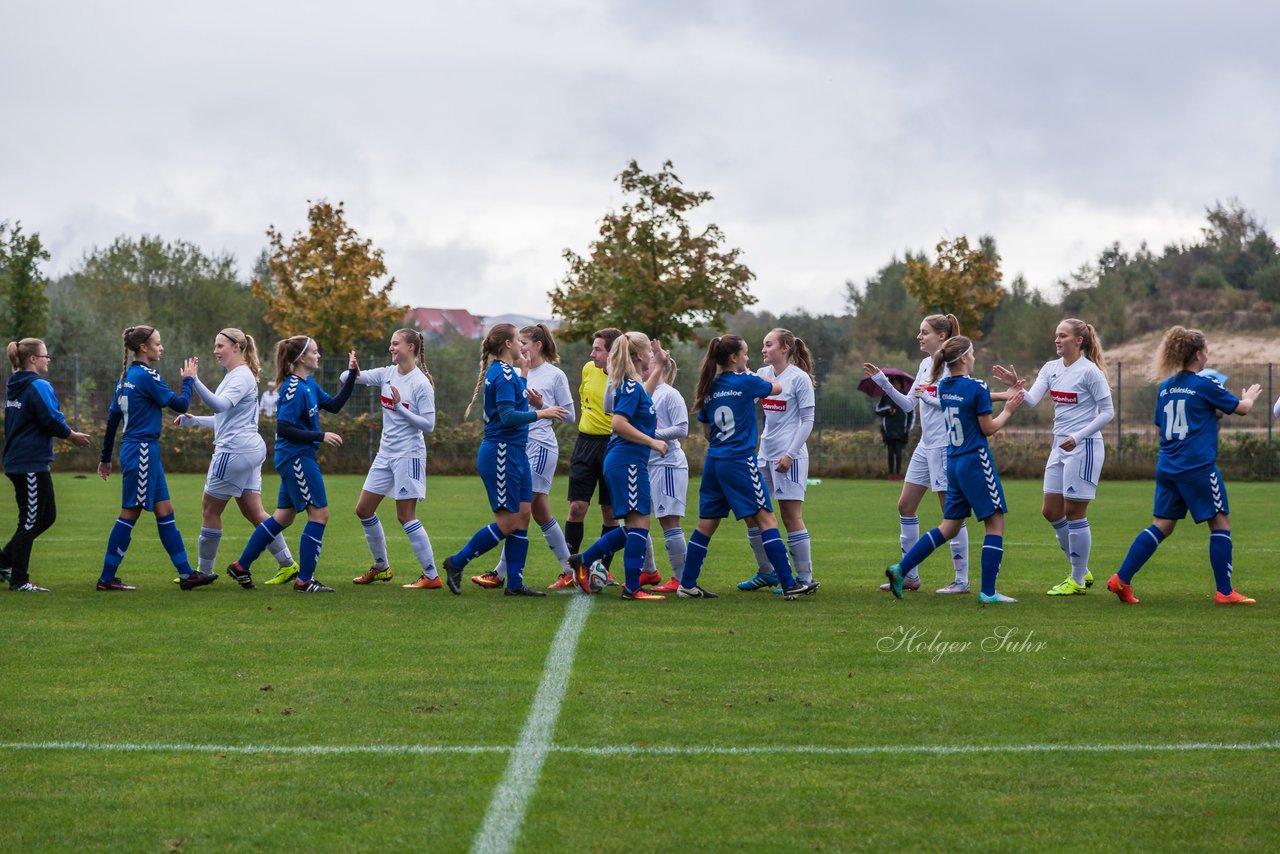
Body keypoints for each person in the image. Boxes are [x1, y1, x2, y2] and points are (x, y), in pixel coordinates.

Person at [1106, 326, 1261, 606]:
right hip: (1198, 467)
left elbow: (1164, 424)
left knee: (1162, 524)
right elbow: (1242, 408)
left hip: (1168, 465)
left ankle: (1122, 578)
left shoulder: (1166, 387)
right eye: (1207, 350)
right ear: (1199, 354)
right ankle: (1225, 592)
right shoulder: (1204, 383)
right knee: (1220, 522)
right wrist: (1249, 396)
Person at [676, 335, 819, 600]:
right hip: (740, 461)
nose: (748, 358)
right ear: (733, 358)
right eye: (744, 353)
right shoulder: (747, 381)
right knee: (767, 519)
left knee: (706, 523)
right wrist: (753, 376)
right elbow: (776, 388)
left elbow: (708, 432)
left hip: (714, 461)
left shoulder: (710, 387)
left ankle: (687, 584)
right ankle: (790, 584)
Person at [884, 335, 1025, 604]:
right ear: (963, 358)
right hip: (975, 460)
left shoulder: (946, 386)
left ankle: (900, 569)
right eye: (971, 354)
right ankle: (989, 592)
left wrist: (1004, 393)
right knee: (995, 522)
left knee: (949, 526)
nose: (973, 358)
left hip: (954, 461)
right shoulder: (977, 386)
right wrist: (1008, 409)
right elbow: (988, 429)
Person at [224, 336, 359, 592]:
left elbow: (334, 405)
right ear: (300, 358)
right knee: (319, 514)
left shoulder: (308, 384)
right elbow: (284, 428)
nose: (318, 356)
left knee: (283, 516)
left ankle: (241, 566)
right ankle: (304, 580)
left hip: (296, 456)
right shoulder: (293, 388)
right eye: (315, 352)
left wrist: (352, 374)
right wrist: (320, 436)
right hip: (296, 456)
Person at [441, 323, 568, 597]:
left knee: (523, 516)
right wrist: (542, 413)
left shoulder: (508, 372)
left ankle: (515, 584)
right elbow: (509, 416)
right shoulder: (502, 373)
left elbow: (515, 401)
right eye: (517, 340)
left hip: (516, 451)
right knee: (508, 522)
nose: (522, 345)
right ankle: (457, 562)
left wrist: (523, 375)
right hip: (502, 452)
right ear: (508, 345)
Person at [992, 319, 1114, 596]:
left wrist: (1079, 436)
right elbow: (1032, 401)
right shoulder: (1051, 368)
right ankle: (1081, 570)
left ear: (1078, 340)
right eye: (1056, 336)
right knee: (1050, 511)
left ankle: (1077, 578)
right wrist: (1015, 387)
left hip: (1083, 447)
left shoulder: (1090, 372)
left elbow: (1108, 412)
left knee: (1074, 513)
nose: (1057, 340)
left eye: (1063, 336)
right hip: (1060, 447)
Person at [173, 328, 299, 587]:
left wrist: (194, 381)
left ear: (237, 347)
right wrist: (194, 420)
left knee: (210, 508)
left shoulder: (240, 377)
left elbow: (220, 405)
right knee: (255, 511)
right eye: (215, 346)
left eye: (220, 346)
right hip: (249, 449)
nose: (215, 351)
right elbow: (226, 418)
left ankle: (204, 571)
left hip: (234, 451)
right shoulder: (239, 375)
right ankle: (288, 564)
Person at [864, 314, 972, 594]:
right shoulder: (926, 364)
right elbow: (909, 404)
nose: (919, 336)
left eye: (924, 332)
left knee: (951, 514)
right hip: (925, 446)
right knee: (905, 506)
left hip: (946, 447)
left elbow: (954, 404)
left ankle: (961, 580)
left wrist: (928, 397)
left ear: (941, 335)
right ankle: (909, 575)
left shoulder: (955, 365)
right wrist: (884, 383)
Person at [97, 326, 211, 591]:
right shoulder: (147, 375)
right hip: (143, 451)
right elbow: (181, 405)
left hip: (139, 450)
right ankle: (106, 578)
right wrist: (189, 379)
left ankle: (186, 574)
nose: (162, 348)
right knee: (130, 512)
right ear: (144, 348)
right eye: (158, 344)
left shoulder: (126, 376)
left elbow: (113, 418)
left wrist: (105, 457)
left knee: (165, 510)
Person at [472, 323, 576, 590]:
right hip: (517, 448)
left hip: (540, 447)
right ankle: (570, 568)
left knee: (521, 511)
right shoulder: (515, 372)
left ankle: (500, 573)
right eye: (519, 342)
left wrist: (542, 406)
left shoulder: (555, 375)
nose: (521, 346)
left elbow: (570, 416)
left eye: (525, 342)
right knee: (539, 513)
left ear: (537, 345)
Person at [568, 332, 670, 600]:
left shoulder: (631, 384)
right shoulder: (629, 385)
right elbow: (619, 423)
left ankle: (585, 559)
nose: (650, 354)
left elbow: (642, 398)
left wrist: (659, 366)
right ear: (638, 355)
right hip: (628, 462)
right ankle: (632, 588)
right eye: (649, 351)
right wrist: (653, 442)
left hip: (626, 461)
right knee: (639, 524)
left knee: (637, 525)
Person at [341, 328, 441, 589]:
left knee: (405, 516)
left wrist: (399, 408)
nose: (391, 348)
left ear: (410, 347)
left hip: (409, 455)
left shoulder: (421, 383)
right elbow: (345, 379)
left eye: (395, 344)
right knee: (363, 509)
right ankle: (382, 567)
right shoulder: (387, 373)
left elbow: (428, 425)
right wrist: (352, 369)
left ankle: (431, 576)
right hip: (385, 455)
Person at [2, 339, 92, 591]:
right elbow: (50, 418)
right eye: (45, 355)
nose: (48, 359)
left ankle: (3, 561)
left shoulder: (15, 385)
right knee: (30, 521)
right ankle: (19, 580)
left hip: (26, 461)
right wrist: (71, 435)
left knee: (47, 516)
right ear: (33, 359)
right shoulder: (38, 385)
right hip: (27, 462)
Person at [737, 328, 820, 594]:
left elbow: (807, 421)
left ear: (785, 348)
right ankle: (767, 572)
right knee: (753, 514)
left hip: (790, 456)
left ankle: (805, 578)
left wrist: (790, 454)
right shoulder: (762, 375)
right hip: (763, 455)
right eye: (762, 344)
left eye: (768, 344)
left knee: (790, 516)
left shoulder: (799, 379)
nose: (763, 349)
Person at [564, 327, 624, 580]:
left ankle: (602, 570)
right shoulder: (588, 370)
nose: (592, 354)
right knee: (577, 507)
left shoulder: (624, 377)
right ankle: (569, 570)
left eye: (597, 349)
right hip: (585, 444)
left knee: (610, 512)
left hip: (612, 445)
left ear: (612, 353)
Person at [644, 355, 690, 594]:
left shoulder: (670, 394)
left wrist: (651, 434)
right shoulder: (643, 391)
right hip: (646, 465)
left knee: (669, 521)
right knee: (637, 518)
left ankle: (682, 580)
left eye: (648, 361)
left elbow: (682, 429)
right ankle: (647, 570)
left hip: (667, 465)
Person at [875, 377, 913, 479]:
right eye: (894, 383)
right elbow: (877, 410)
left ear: (901, 385)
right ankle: (891, 474)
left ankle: (898, 474)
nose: (896, 385)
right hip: (888, 430)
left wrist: (908, 428)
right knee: (890, 452)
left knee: (899, 452)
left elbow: (911, 413)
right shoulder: (886, 396)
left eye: (897, 383)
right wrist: (888, 411)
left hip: (901, 431)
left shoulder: (905, 396)